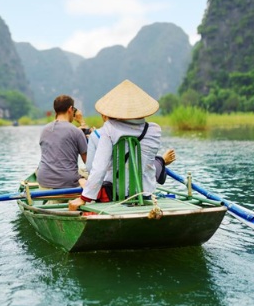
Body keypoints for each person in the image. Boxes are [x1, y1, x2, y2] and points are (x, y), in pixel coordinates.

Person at [68, 80, 174, 210]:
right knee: (155, 162)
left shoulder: (109, 129)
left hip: (116, 194)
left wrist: (84, 198)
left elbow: (99, 168)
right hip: (146, 193)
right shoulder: (155, 130)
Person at [36, 95, 88, 189]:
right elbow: (88, 162)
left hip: (43, 180)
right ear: (71, 109)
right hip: (67, 183)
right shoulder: (76, 132)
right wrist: (82, 122)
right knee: (88, 175)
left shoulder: (45, 130)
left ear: (55, 110)